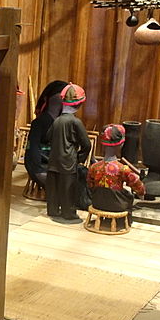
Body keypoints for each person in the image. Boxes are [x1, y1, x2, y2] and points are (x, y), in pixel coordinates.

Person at [45, 83, 91, 223]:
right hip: (68, 162)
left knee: (53, 188)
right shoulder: (75, 122)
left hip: (53, 160)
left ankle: (53, 210)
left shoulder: (57, 121)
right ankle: (68, 213)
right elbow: (87, 144)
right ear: (79, 105)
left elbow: (48, 137)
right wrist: (79, 158)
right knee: (68, 189)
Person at [87, 124, 145, 221]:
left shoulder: (94, 167)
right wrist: (141, 193)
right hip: (117, 206)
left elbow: (90, 185)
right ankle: (122, 221)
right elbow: (139, 187)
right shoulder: (123, 169)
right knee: (128, 195)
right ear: (121, 144)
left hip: (97, 203)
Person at [24, 79, 69, 188]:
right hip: (41, 164)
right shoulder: (39, 122)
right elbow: (33, 148)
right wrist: (38, 169)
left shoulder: (65, 120)